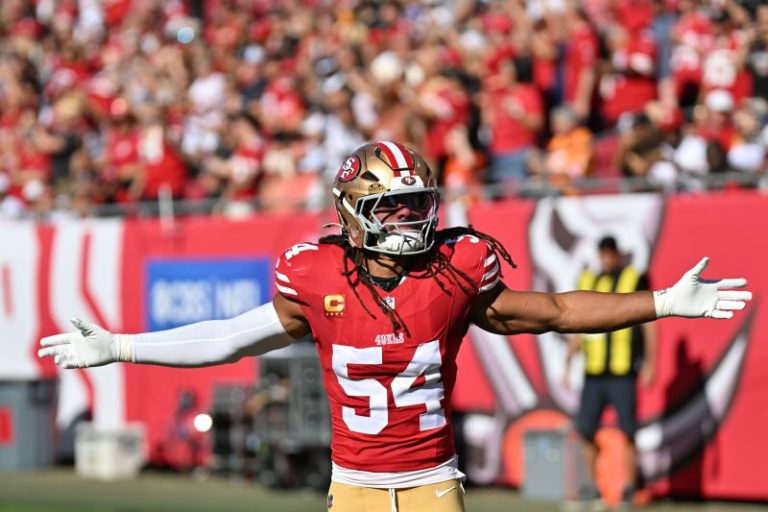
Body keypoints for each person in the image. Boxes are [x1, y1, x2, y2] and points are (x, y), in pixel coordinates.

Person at [39, 141, 752, 512]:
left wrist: (663, 302)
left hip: (434, 483)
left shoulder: (458, 269)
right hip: (353, 487)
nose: (410, 219)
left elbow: (557, 311)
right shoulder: (315, 275)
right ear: (353, 212)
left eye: (418, 205)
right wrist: (120, 346)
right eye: (393, 208)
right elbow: (228, 336)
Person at [563, 236, 657, 510]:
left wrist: (650, 362)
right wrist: (568, 361)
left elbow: (650, 323)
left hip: (622, 370)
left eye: (609, 253)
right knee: (585, 429)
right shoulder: (589, 280)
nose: (605, 259)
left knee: (627, 429)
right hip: (593, 372)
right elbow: (577, 323)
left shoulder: (633, 278)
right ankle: (591, 488)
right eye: (602, 253)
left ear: (617, 254)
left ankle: (630, 487)